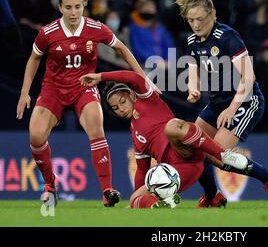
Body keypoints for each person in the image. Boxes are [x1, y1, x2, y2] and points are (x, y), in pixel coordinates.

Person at [16, 0, 154, 207]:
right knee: (36, 136)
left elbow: (121, 48)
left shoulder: (95, 28)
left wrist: (143, 78)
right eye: (68, 7)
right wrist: (25, 93)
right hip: (54, 89)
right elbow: (34, 59)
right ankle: (50, 184)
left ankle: (107, 191)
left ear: (84, 7)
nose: (73, 12)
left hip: (84, 86)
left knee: (96, 128)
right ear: (60, 7)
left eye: (77, 7)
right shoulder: (48, 32)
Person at [170, 0, 268, 208]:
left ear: (213, 14)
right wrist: (192, 89)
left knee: (217, 156)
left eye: (200, 20)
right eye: (191, 20)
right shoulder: (193, 41)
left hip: (245, 100)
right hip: (217, 102)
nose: (196, 25)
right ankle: (213, 196)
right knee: (193, 145)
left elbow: (249, 77)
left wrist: (232, 108)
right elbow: (193, 70)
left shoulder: (227, 37)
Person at [79, 70, 250, 208]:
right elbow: (141, 170)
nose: (121, 109)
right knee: (134, 199)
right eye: (115, 108)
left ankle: (223, 155)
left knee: (172, 126)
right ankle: (161, 204)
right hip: (177, 174)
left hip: (185, 151)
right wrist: (139, 194)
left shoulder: (147, 98)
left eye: (122, 101)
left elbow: (132, 76)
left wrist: (100, 77)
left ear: (131, 94)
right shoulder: (135, 135)